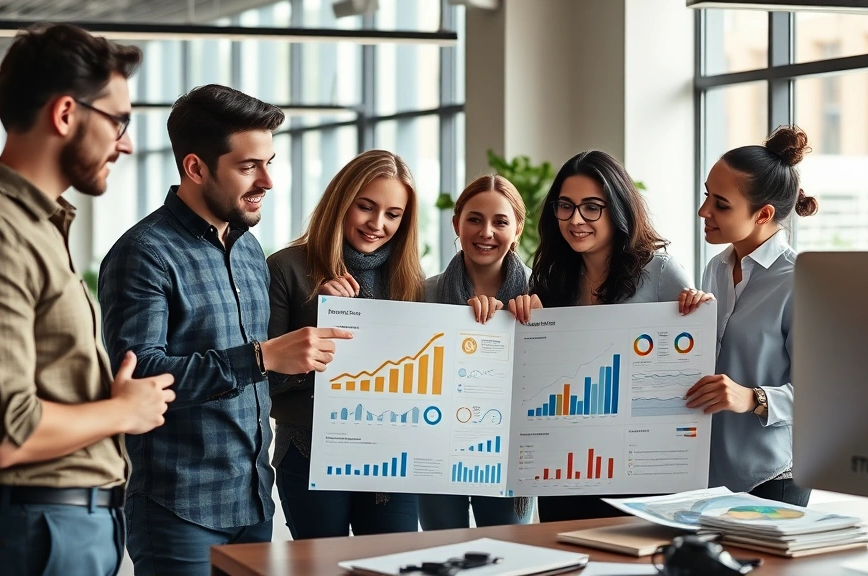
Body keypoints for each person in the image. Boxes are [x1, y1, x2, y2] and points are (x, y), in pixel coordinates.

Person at [0, 23, 174, 576]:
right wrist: (122, 411)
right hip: (34, 533)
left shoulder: (34, 227)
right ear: (64, 114)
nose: (126, 142)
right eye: (119, 121)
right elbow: (5, 435)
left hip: (60, 528)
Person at [98, 85, 351, 575]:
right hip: (179, 507)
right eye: (248, 166)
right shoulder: (143, 254)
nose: (268, 181)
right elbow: (139, 376)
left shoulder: (250, 249)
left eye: (270, 162)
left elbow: (268, 371)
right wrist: (260, 357)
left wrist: (320, 333)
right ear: (196, 168)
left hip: (254, 500)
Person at [520, 150, 696, 522]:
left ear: (617, 209)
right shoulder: (552, 280)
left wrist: (699, 309)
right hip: (567, 468)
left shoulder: (661, 272)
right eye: (565, 206)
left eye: (591, 207)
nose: (576, 219)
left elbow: (694, 360)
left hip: (641, 469)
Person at [268, 149, 424, 539]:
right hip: (309, 449)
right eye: (365, 207)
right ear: (341, 203)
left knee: (396, 562)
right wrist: (319, 317)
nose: (377, 224)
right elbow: (262, 380)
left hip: (392, 455)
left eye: (393, 214)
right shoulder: (287, 268)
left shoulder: (410, 280)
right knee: (323, 566)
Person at [678, 125, 819, 506]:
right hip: (709, 474)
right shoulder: (715, 269)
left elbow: (822, 397)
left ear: (764, 214)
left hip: (771, 478)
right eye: (707, 195)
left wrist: (751, 397)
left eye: (720, 204)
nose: (703, 211)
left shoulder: (800, 281)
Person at [417, 174, 535, 529]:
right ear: (456, 224)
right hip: (436, 448)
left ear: (517, 230)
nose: (486, 232)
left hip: (508, 455)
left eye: (500, 222)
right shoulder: (424, 294)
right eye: (474, 219)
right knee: (442, 553)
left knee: (508, 557)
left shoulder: (542, 294)